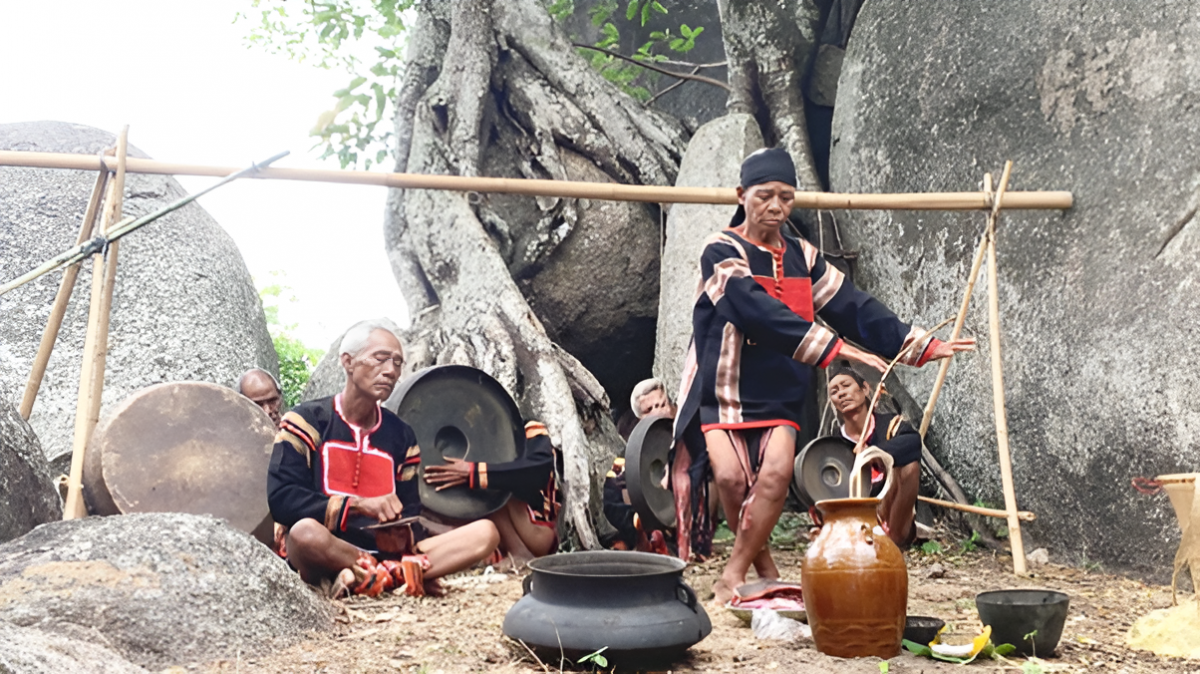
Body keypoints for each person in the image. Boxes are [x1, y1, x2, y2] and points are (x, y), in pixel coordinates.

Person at [673, 147, 975, 605]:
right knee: (733, 480)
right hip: (726, 385)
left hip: (781, 388)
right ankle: (765, 567)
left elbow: (852, 305)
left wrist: (917, 345)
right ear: (742, 195)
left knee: (774, 476)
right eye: (766, 196)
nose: (776, 207)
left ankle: (731, 576)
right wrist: (839, 348)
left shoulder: (803, 256)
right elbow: (757, 313)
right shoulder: (721, 251)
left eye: (787, 198)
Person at [267, 319, 499, 597]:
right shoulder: (306, 421)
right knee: (304, 533)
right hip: (328, 546)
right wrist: (359, 505)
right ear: (348, 362)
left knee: (486, 533)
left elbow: (411, 510)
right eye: (380, 359)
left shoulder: (401, 435)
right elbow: (283, 499)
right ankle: (395, 575)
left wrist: (402, 532)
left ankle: (370, 576)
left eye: (397, 363)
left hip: (387, 552)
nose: (390, 371)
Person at [423, 420, 563, 568]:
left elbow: (537, 473)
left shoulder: (531, 429)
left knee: (491, 484)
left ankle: (518, 551)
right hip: (491, 533)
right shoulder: (477, 439)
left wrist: (475, 473)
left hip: (537, 530)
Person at [828, 362, 922, 547]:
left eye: (846, 386)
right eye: (834, 391)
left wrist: (874, 454)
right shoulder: (833, 443)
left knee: (910, 467)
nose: (841, 393)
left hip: (892, 515)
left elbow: (913, 442)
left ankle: (891, 544)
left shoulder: (890, 426)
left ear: (865, 389)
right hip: (856, 520)